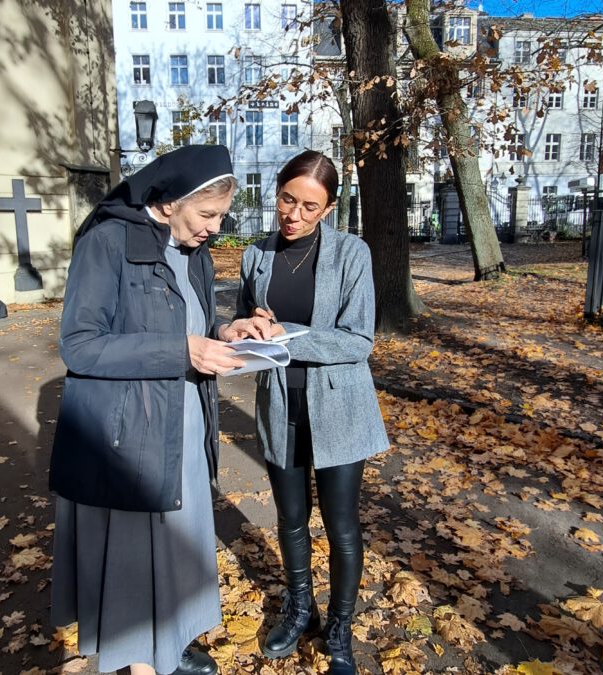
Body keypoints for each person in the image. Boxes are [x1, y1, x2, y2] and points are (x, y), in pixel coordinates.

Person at [48, 145, 266, 675]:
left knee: (176, 541)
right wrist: (184, 351)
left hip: (186, 418)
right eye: (207, 215)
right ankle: (139, 660)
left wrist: (223, 332)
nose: (215, 229)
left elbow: (187, 324)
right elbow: (79, 346)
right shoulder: (107, 242)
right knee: (133, 555)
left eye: (220, 217)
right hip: (127, 434)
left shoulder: (193, 251)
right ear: (168, 202)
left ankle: (170, 645)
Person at [227, 151, 390, 674]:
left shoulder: (351, 254)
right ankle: (302, 607)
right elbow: (240, 319)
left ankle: (340, 624)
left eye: (309, 207)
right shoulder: (256, 254)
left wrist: (287, 335)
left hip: (339, 410)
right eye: (286, 200)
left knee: (341, 525)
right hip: (280, 405)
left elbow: (358, 341)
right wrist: (239, 328)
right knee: (291, 519)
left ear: (329, 208)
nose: (293, 215)